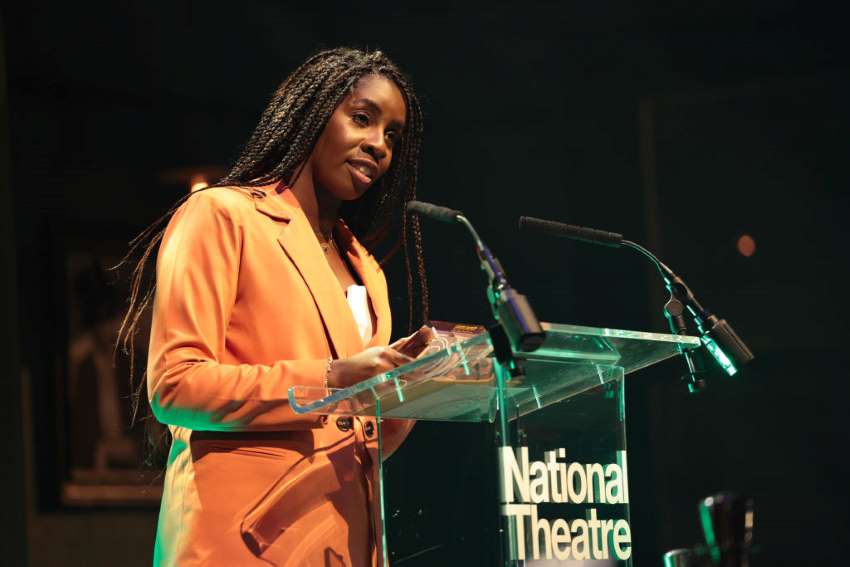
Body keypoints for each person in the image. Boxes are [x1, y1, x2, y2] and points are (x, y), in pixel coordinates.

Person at [118, 48, 430, 566]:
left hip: (343, 543)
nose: (378, 145)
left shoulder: (365, 269)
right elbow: (176, 386)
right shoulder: (224, 216)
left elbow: (353, 438)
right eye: (362, 119)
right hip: (239, 542)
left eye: (392, 137)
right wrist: (332, 377)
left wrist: (408, 393)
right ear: (312, 116)